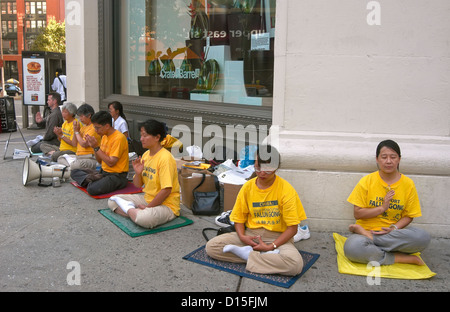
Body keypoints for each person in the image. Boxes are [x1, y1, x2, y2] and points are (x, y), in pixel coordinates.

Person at [206, 145, 307, 276]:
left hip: (277, 238)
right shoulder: (248, 187)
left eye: (268, 169)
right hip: (250, 235)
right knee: (212, 247)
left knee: (295, 265)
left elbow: (292, 229)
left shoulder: (286, 190)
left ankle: (250, 256)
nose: (262, 173)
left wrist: (272, 246)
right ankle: (265, 257)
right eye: (258, 167)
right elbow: (238, 219)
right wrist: (242, 236)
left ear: (276, 168)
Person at [344, 140, 431, 266]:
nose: (388, 161)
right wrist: (382, 208)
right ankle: (400, 258)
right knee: (352, 248)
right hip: (367, 231)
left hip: (393, 235)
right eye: (384, 157)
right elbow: (357, 214)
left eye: (393, 157)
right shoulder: (367, 181)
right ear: (377, 159)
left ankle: (374, 244)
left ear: (399, 159)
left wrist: (393, 228)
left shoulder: (408, 184)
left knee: (423, 237)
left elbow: (409, 215)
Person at [108, 119, 180, 229]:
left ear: (157, 137)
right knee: (112, 201)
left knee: (144, 218)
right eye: (141, 135)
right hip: (147, 199)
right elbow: (138, 185)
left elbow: (166, 190)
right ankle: (134, 213)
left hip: (167, 205)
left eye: (145, 135)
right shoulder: (146, 155)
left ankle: (134, 213)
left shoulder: (165, 158)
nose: (141, 139)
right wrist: (138, 173)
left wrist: (148, 207)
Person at [71, 111, 129, 196]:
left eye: (97, 128)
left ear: (107, 126)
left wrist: (96, 147)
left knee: (91, 189)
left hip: (117, 176)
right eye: (94, 127)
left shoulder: (119, 138)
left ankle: (92, 181)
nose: (95, 130)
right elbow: (100, 161)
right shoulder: (104, 136)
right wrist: (94, 147)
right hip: (103, 172)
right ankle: (93, 180)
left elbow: (111, 163)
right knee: (74, 172)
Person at [57, 103, 101, 170]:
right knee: (60, 158)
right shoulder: (83, 127)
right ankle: (71, 168)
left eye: (82, 116)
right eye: (79, 116)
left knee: (76, 165)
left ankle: (70, 168)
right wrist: (75, 130)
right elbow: (74, 143)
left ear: (89, 115)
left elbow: (84, 144)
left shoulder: (94, 128)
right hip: (78, 157)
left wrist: (77, 132)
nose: (80, 119)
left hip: (89, 157)